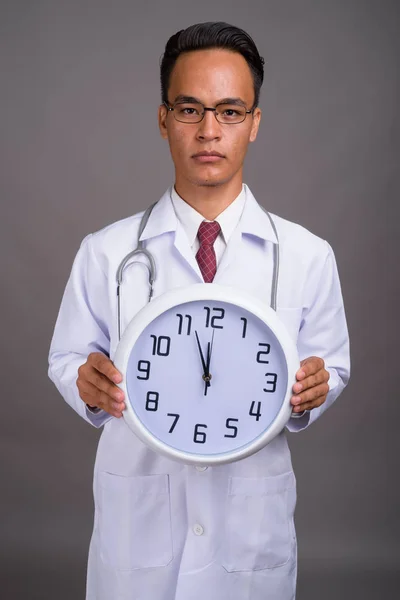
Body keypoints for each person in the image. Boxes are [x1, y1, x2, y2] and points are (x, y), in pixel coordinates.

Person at [48, 21, 350, 600]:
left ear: (255, 123)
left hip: (249, 531)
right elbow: (67, 357)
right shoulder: (107, 251)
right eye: (190, 109)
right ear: (163, 120)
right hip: (138, 528)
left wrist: (318, 387)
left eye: (230, 111)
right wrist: (84, 381)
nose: (209, 131)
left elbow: (331, 363)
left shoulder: (309, 255)